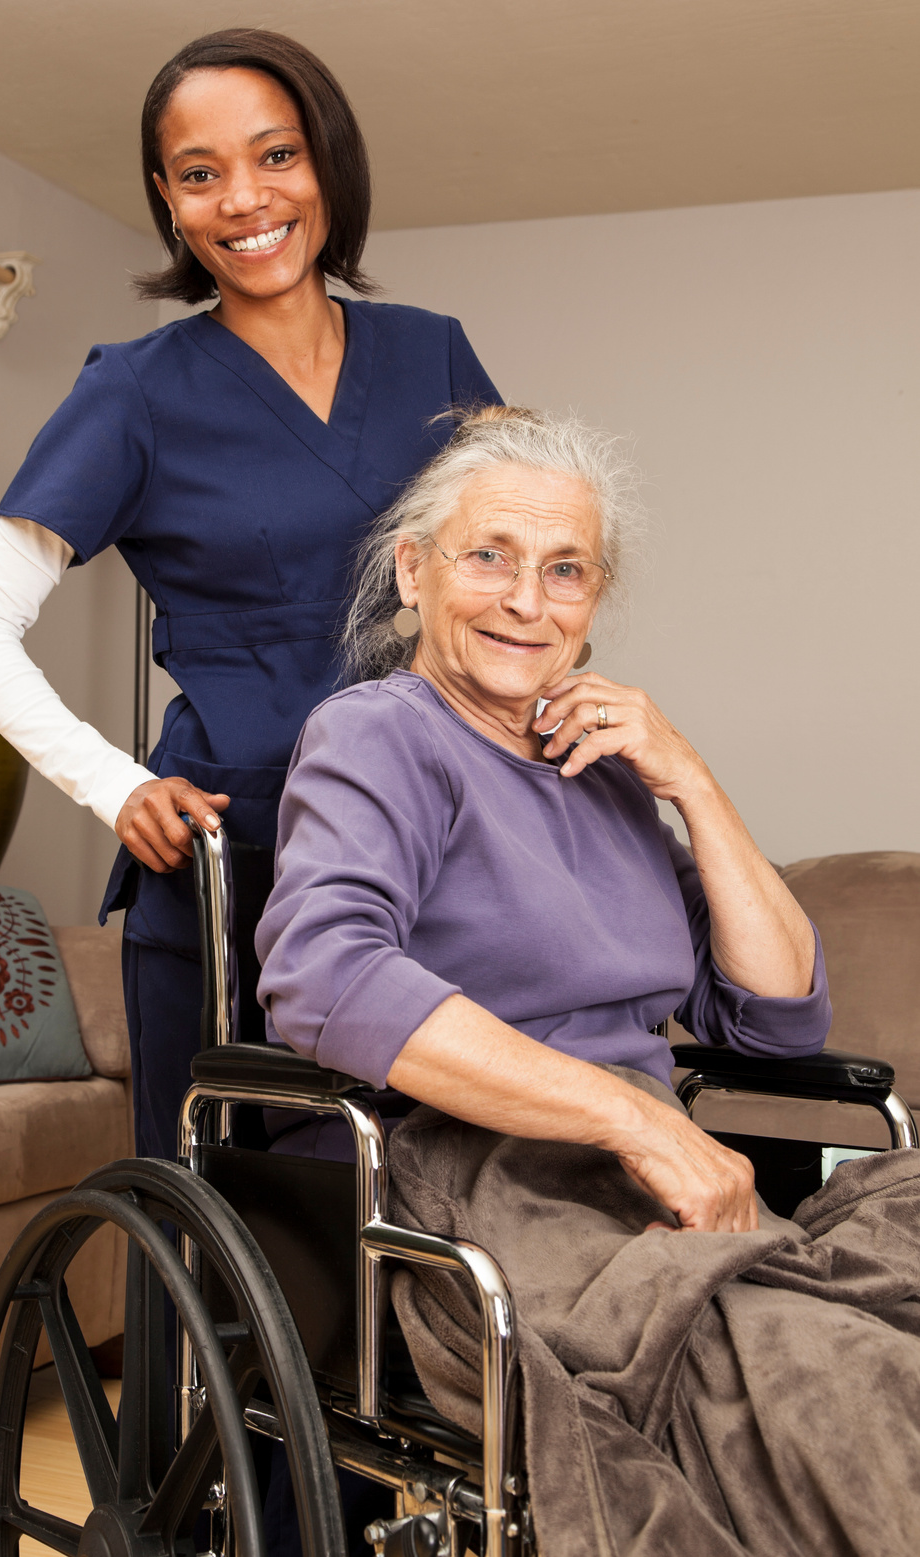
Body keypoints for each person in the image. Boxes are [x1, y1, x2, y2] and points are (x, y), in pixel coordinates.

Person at [256, 407, 920, 1553]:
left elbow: (773, 1017)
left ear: (593, 601)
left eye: (563, 570)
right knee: (833, 1379)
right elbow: (325, 976)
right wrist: (635, 1122)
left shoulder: (599, 767)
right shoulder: (380, 736)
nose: (527, 600)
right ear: (412, 573)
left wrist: (689, 781)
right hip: (474, 1180)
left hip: (643, 1172)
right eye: (490, 558)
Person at [0, 28, 500, 1167]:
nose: (244, 199)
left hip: (433, 838)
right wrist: (114, 786)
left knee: (437, 1192)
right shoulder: (136, 392)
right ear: (168, 202)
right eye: (200, 174)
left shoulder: (433, 357)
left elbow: (514, 574)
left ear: (327, 163)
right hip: (235, 851)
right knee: (238, 1224)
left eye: (275, 155)